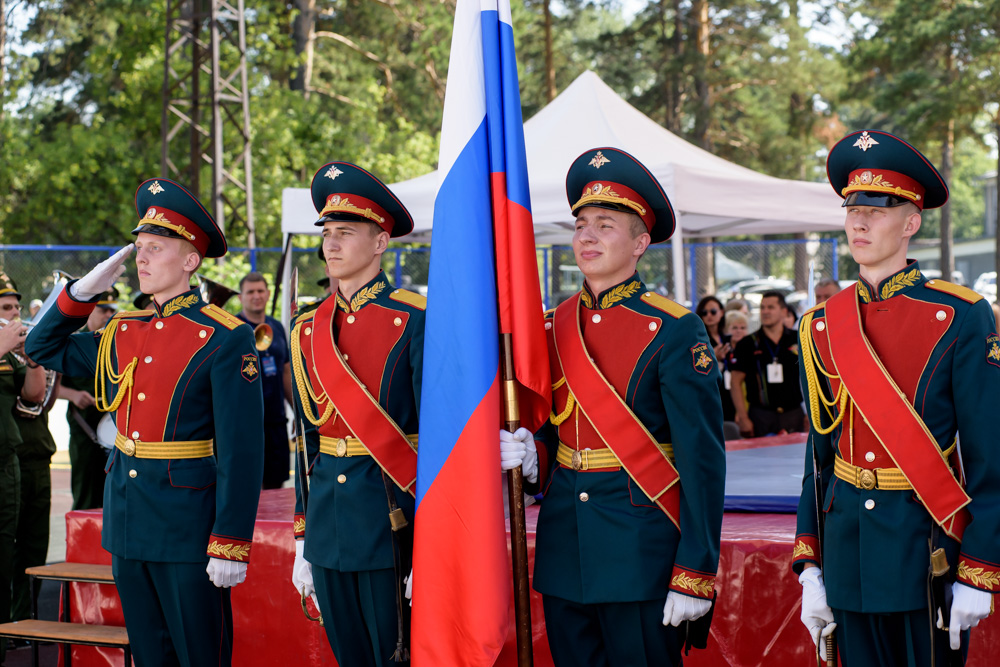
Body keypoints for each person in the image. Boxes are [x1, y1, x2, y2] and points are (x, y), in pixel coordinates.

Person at [500, 147, 726, 666]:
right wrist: (533, 457)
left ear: (640, 242)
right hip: (565, 554)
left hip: (641, 554)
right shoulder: (552, 328)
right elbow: (556, 436)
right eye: (581, 224)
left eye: (605, 224)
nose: (586, 235)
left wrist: (694, 571)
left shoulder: (673, 329)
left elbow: (702, 459)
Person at [25, 178, 265, 667]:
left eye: (156, 248)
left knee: (199, 653)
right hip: (129, 521)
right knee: (150, 654)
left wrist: (230, 542)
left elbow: (243, 450)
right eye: (139, 248)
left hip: (188, 527)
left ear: (191, 261)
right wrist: (81, 291)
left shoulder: (224, 336)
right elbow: (40, 348)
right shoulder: (123, 329)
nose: (142, 259)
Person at [793, 130, 1000, 666]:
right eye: (852, 207)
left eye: (877, 209)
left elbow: (989, 458)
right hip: (846, 552)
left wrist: (979, 571)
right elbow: (818, 461)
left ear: (911, 223)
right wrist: (810, 564)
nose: (858, 221)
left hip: (923, 547)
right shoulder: (820, 325)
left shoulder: (960, 315)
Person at [289, 162, 423, 667]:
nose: (332, 244)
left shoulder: (412, 319)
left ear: (381, 242)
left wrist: (431, 544)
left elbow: (439, 438)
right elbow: (306, 443)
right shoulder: (308, 328)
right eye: (327, 233)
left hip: (390, 524)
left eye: (347, 233)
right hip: (329, 524)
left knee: (397, 657)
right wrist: (304, 534)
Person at [0, 274, 46, 663]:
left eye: (15, 308)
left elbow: (32, 395)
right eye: (4, 309)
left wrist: (33, 360)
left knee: (6, 559)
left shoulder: (7, 354)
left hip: (7, 465)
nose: (12, 316)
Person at [59, 289, 118, 510]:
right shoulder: (73, 342)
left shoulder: (117, 342)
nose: (108, 314)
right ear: (91, 311)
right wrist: (73, 394)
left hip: (114, 427)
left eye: (112, 309)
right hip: (84, 427)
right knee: (86, 491)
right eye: (104, 310)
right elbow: (50, 387)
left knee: (112, 494)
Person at [236, 272, 293, 490]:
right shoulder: (233, 328)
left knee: (275, 487)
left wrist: (297, 410)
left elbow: (285, 371)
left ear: (268, 294)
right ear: (241, 297)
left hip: (276, 423)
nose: (256, 296)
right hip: (245, 426)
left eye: (260, 290)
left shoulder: (277, 327)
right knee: (247, 488)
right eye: (250, 292)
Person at [729, 290, 804, 437]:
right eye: (762, 307)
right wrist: (743, 418)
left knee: (795, 459)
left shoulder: (798, 339)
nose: (765, 312)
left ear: (784, 311)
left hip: (794, 413)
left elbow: (811, 378)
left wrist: (811, 413)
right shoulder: (748, 343)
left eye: (771, 307)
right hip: (760, 416)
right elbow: (735, 382)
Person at [697, 295, 735, 421]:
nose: (709, 315)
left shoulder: (728, 339)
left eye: (713, 311)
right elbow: (697, 368)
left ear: (721, 312)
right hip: (711, 393)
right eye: (704, 312)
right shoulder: (698, 340)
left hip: (730, 392)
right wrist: (714, 358)